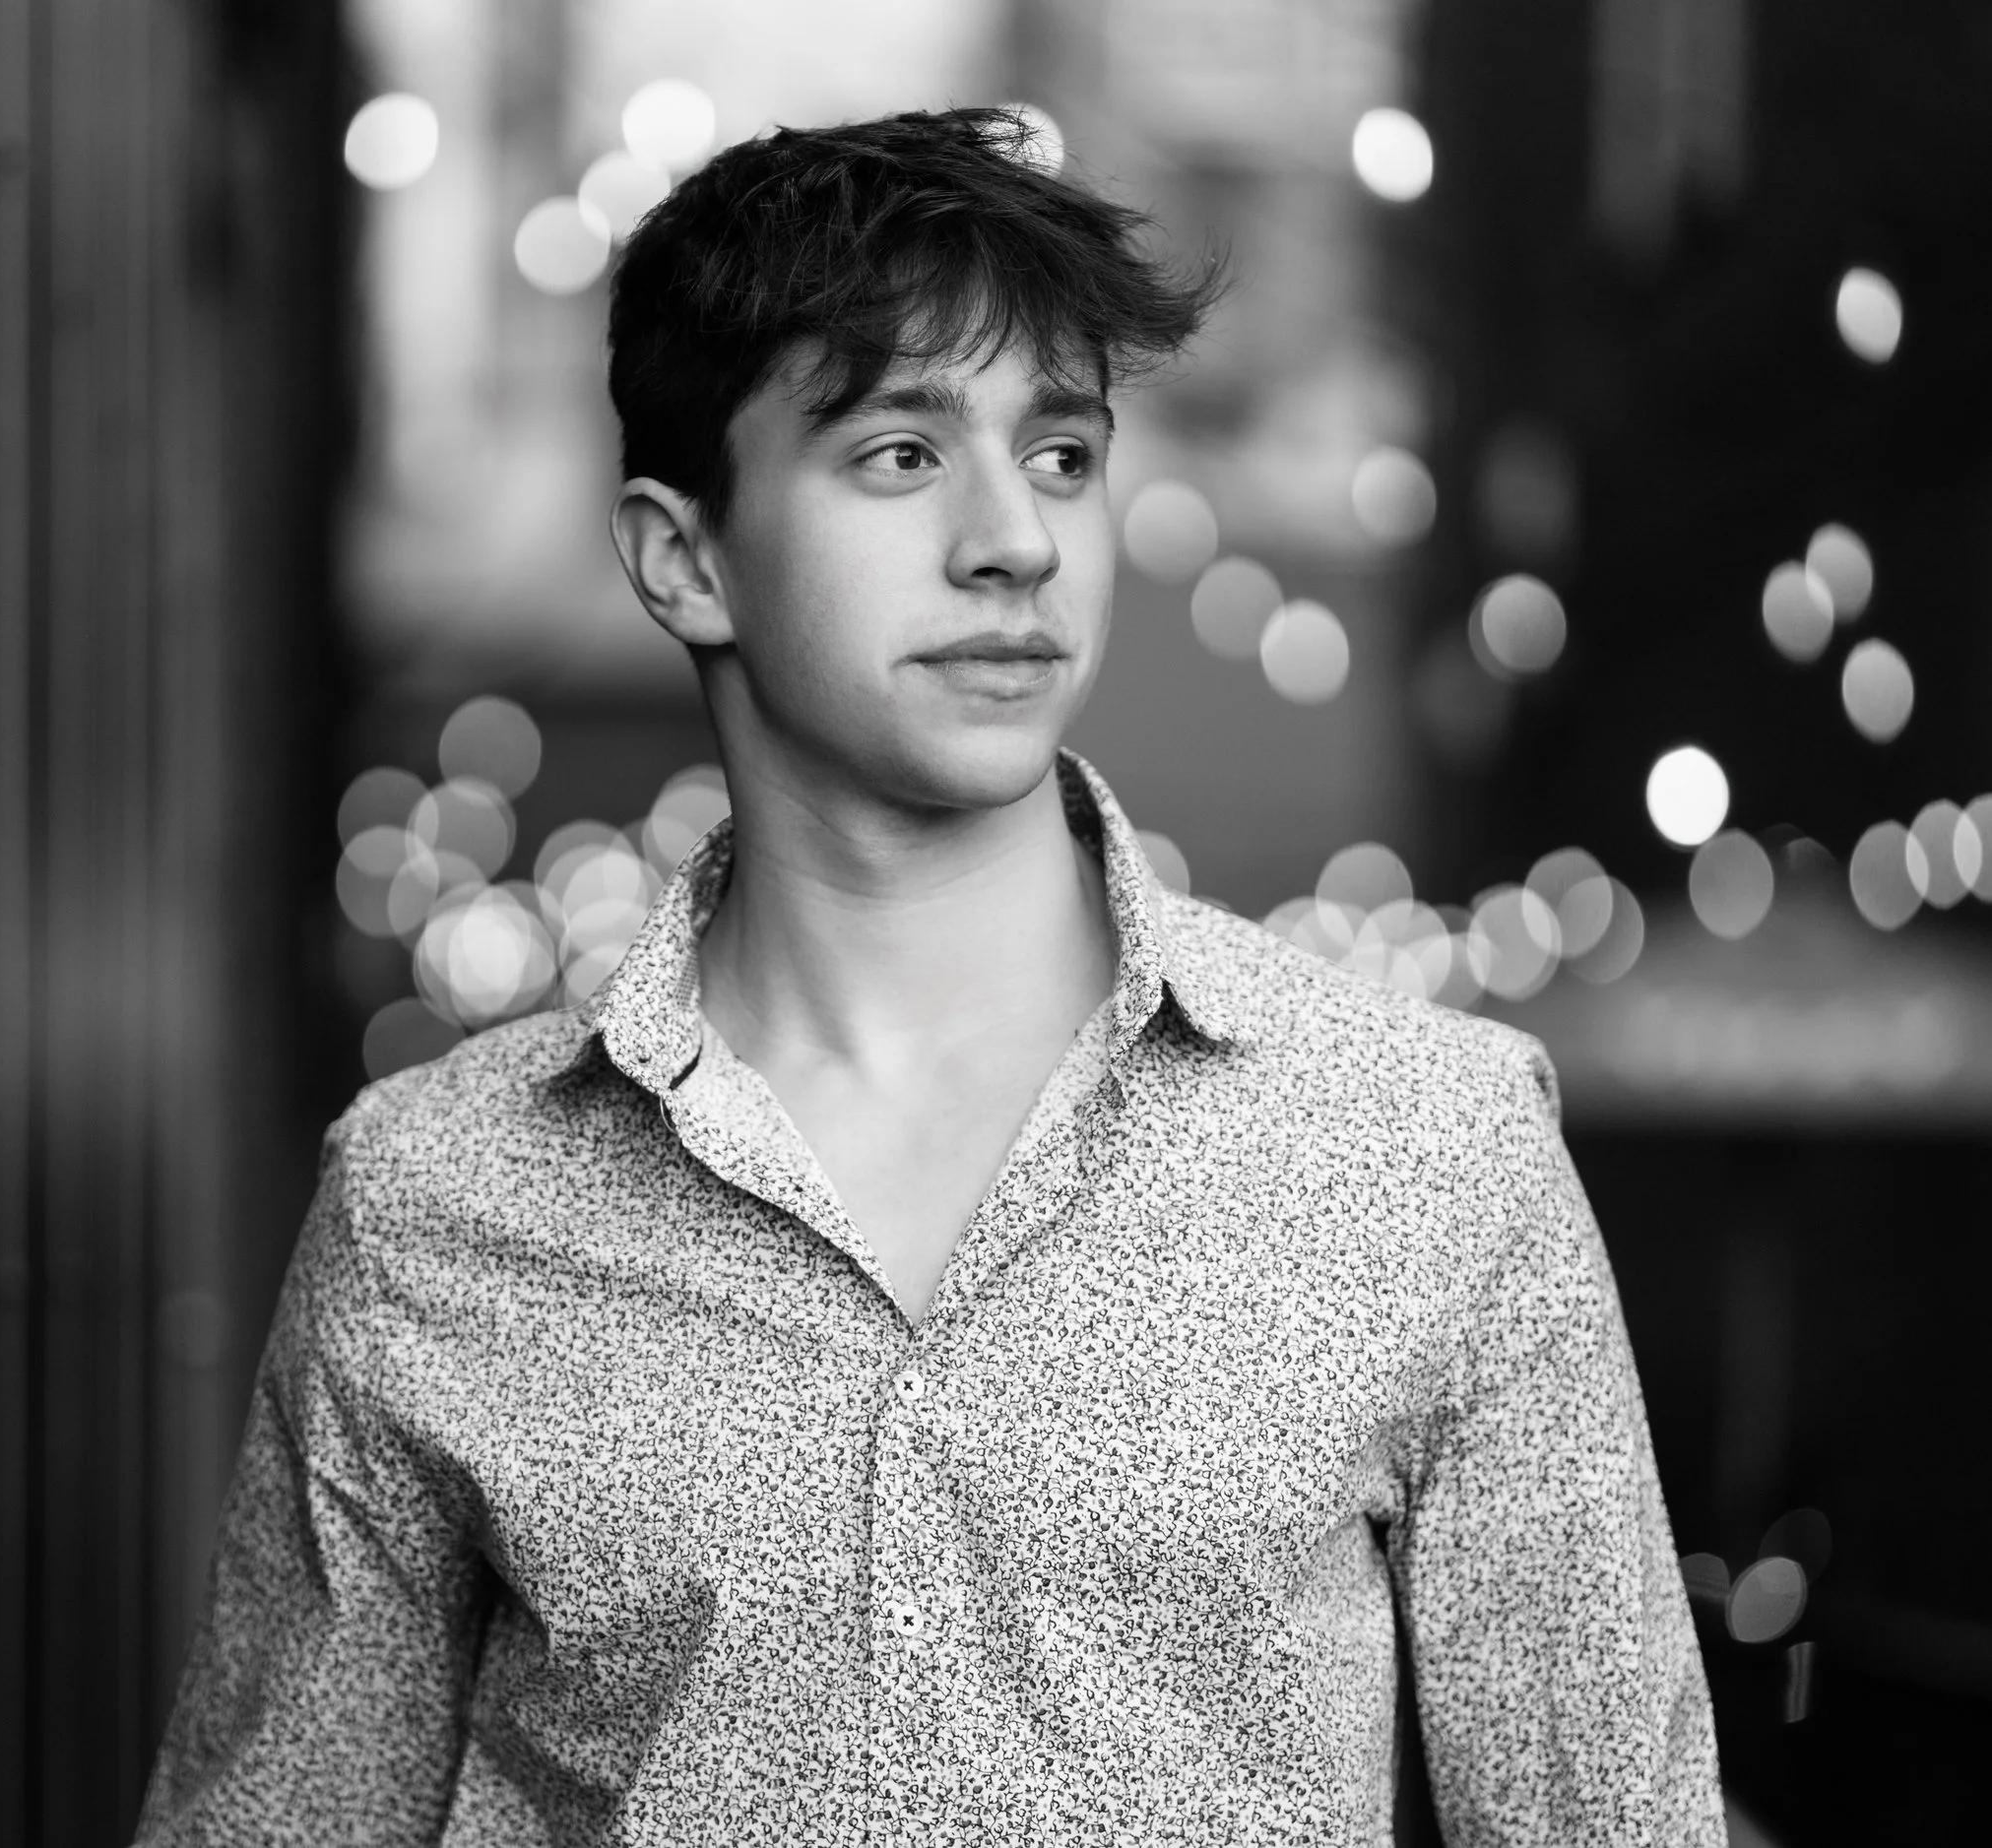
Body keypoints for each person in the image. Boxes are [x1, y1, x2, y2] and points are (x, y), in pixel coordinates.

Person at [136, 107, 1722, 1844]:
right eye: (901, 453)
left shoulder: (1429, 1149)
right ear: (683, 557)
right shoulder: (437, 1201)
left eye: (1062, 455)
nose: (1016, 540)